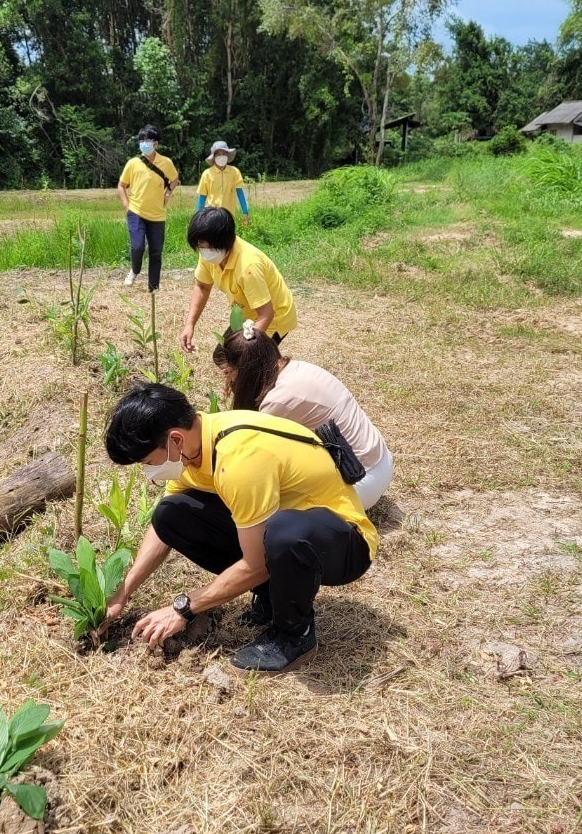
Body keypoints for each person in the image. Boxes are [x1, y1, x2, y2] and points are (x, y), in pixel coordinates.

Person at [103, 383, 378, 674]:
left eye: (148, 461)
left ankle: (294, 636)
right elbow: (163, 529)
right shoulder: (195, 447)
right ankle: (274, 594)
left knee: (284, 532)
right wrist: (123, 591)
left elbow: (256, 564)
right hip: (287, 532)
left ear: (175, 439)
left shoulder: (239, 458)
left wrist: (183, 607)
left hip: (343, 543)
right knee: (171, 513)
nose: (149, 471)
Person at [214, 324, 393, 510]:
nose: (229, 380)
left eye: (229, 373)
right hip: (381, 462)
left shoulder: (276, 402)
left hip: (359, 485)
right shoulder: (297, 368)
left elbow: (253, 458)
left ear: (246, 372)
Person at [180, 207, 296, 353]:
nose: (203, 252)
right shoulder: (209, 253)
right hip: (247, 316)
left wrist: (246, 349)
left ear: (222, 242)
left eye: (206, 247)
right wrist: (189, 325)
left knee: (244, 361)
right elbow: (202, 286)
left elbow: (266, 314)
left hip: (274, 317)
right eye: (199, 247)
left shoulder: (248, 266)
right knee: (222, 357)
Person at [117, 125, 178, 291]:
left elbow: (174, 180)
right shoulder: (133, 163)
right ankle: (134, 270)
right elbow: (121, 185)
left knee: (156, 252)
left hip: (157, 215)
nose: (144, 143)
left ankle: (153, 287)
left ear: (156, 144)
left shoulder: (166, 163)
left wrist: (167, 195)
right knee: (137, 247)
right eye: (142, 140)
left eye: (148, 140)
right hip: (136, 211)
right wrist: (126, 206)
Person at [195, 141, 249, 225]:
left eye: (224, 154)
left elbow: (240, 194)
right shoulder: (207, 174)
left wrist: (245, 213)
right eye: (218, 154)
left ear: (227, 155)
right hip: (212, 215)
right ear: (214, 157)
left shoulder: (235, 172)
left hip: (229, 215)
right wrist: (198, 218)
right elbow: (202, 198)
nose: (221, 156)